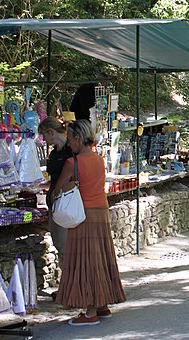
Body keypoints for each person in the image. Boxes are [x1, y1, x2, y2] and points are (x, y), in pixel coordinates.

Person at [52, 120, 125, 326]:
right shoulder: (99, 159)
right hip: (100, 211)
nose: (69, 144)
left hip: (82, 215)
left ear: (77, 138)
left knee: (86, 261)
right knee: (100, 257)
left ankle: (90, 311)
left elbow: (58, 190)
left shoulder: (72, 163)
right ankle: (102, 304)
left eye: (70, 139)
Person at [39, 117, 73, 269]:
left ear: (50, 132)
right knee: (60, 245)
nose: (44, 139)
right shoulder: (54, 154)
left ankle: (68, 288)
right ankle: (64, 286)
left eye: (44, 135)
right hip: (55, 203)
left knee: (66, 247)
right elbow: (53, 179)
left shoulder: (71, 151)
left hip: (67, 203)